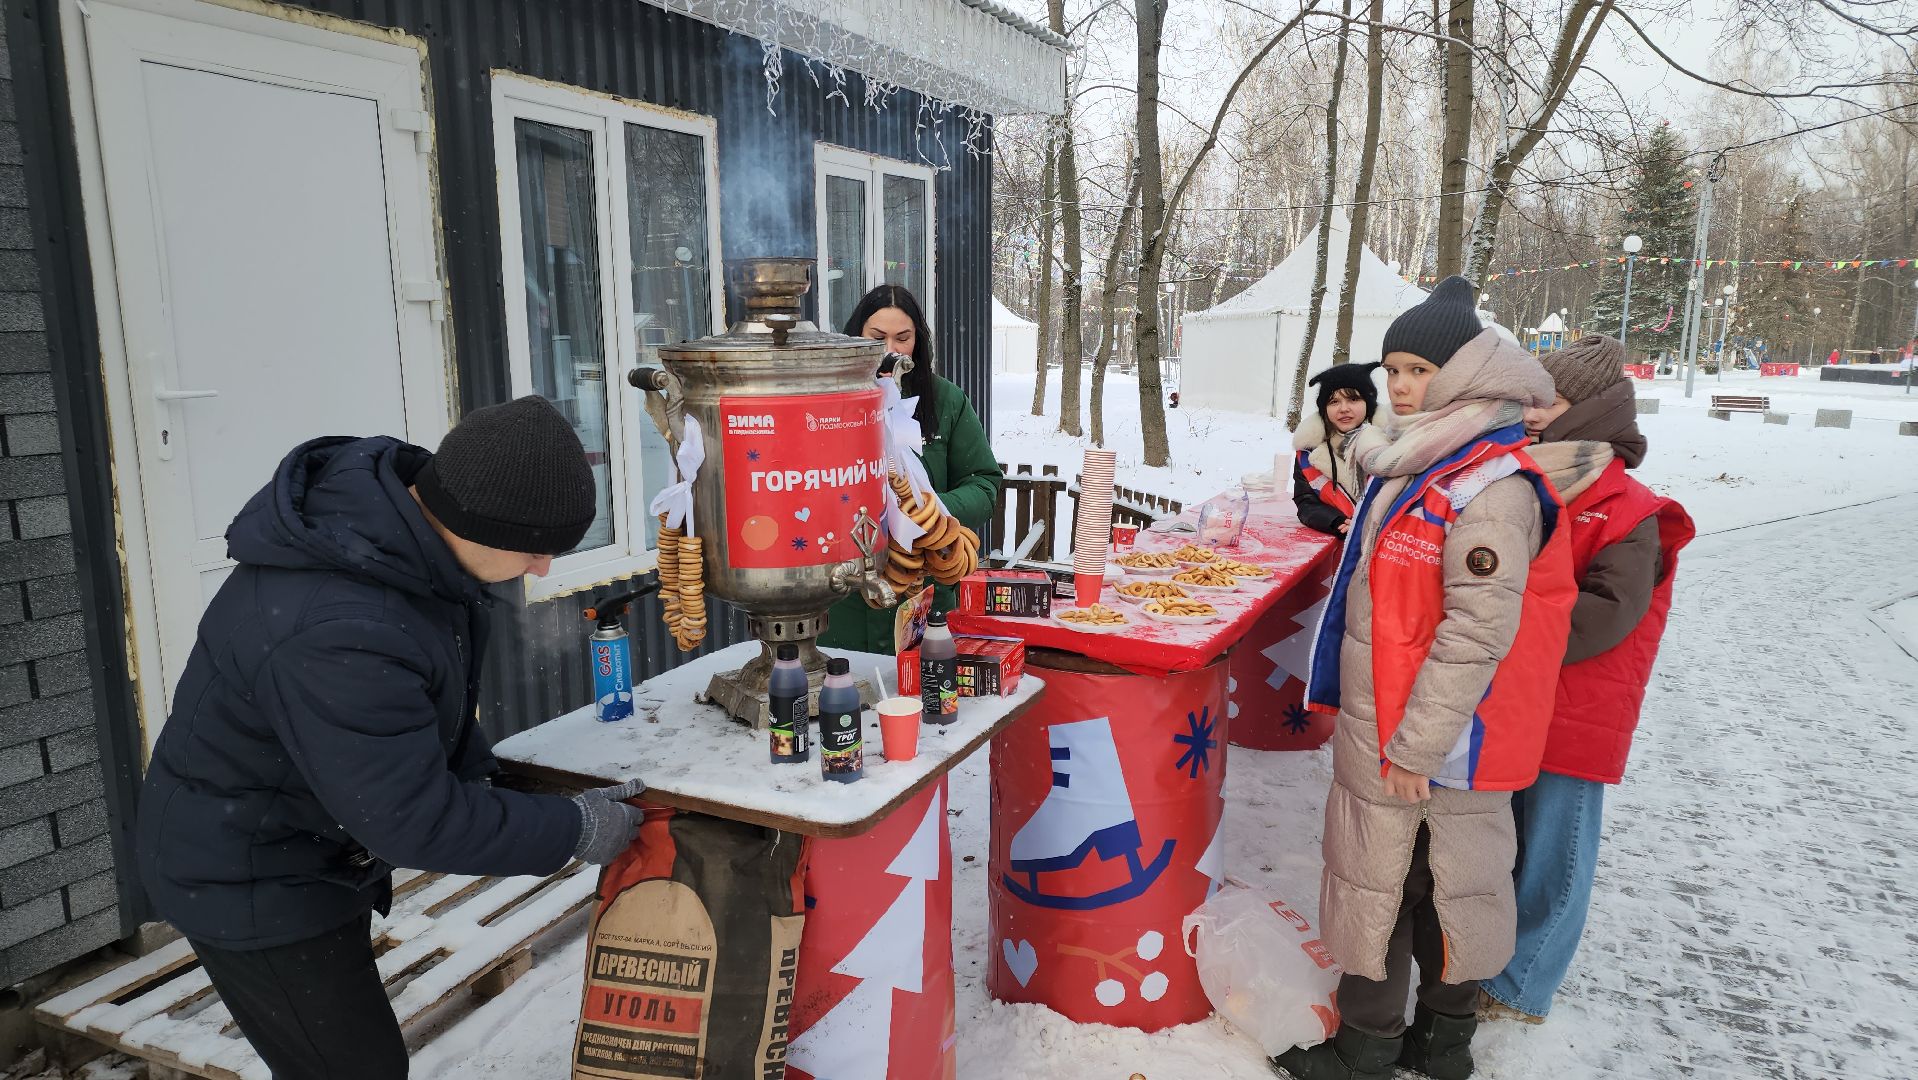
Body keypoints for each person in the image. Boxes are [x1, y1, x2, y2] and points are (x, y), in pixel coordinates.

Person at [138, 397, 649, 1080]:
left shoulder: (406, 552)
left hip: (314, 841)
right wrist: (571, 829)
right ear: (479, 524)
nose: (543, 571)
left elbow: (420, 733)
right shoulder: (341, 629)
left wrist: (528, 800)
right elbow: (410, 820)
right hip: (251, 875)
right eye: (536, 550)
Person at [1278, 277, 1574, 1080]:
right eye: (1393, 371)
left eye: (1417, 370)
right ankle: (1410, 1042)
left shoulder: (1491, 484)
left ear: (1465, 373)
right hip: (1396, 715)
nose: (1400, 387)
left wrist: (1418, 746)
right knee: (1402, 878)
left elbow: (1478, 630)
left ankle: (1385, 1049)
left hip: (1440, 733)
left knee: (1426, 885)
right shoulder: (1419, 462)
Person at [1479, 336, 1695, 1024]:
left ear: (1596, 411)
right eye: (1532, 399)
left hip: (1576, 709)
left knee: (1556, 851)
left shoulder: (1628, 508)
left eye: (1554, 401)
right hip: (1520, 697)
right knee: (1505, 838)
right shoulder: (1532, 481)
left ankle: (1524, 984)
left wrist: (1502, 629)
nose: (1536, 413)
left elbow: (1608, 615)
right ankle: (1494, 959)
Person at [818, 284, 1002, 653]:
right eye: (877, 337)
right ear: (856, 338)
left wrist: (931, 513)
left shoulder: (945, 400)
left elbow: (984, 482)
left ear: (918, 341)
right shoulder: (824, 402)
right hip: (844, 598)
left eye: (903, 338)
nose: (891, 350)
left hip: (927, 598)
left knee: (925, 698)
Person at [1291, 362, 1380, 536]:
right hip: (1340, 549)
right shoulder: (1308, 452)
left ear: (1368, 403)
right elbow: (1305, 502)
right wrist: (1336, 521)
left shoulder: (1392, 444)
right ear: (1324, 409)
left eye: (1353, 399)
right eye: (1334, 401)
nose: (1344, 409)